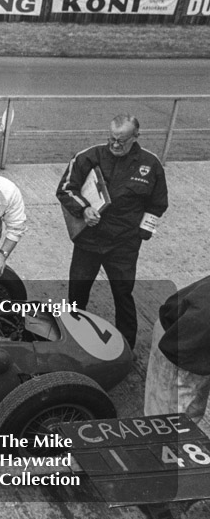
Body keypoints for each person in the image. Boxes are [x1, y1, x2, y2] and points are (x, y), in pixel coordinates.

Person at [56, 114, 168, 350]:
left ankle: (126, 346)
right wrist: (84, 209)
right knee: (77, 291)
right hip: (89, 240)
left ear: (136, 137)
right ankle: (71, 340)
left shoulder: (151, 164)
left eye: (122, 141)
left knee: (123, 294)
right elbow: (66, 189)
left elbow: (158, 204)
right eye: (112, 140)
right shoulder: (88, 156)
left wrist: (142, 233)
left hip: (124, 244)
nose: (115, 145)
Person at [144, 275, 210, 436]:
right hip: (180, 340)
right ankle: (159, 450)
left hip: (191, 333)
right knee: (167, 421)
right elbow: (178, 348)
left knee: (189, 410)